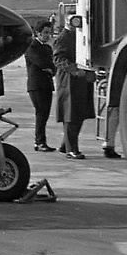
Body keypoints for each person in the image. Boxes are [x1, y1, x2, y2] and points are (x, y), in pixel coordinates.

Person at [53, 15, 95, 158]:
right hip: (69, 81)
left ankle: (66, 145)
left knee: (79, 114)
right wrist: (75, 70)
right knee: (70, 114)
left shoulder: (78, 35)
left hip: (81, 80)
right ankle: (72, 149)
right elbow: (58, 59)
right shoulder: (64, 37)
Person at [25, 20, 56, 151]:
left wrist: (50, 68)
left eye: (50, 33)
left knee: (45, 113)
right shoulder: (31, 46)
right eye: (45, 32)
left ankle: (42, 141)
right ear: (38, 33)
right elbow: (41, 62)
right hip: (36, 85)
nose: (48, 35)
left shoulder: (48, 48)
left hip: (47, 84)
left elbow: (53, 66)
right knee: (41, 112)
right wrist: (48, 67)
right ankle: (39, 141)